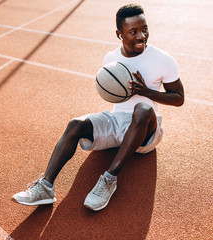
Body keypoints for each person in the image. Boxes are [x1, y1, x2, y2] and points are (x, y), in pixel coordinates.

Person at [12, 4, 184, 211]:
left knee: (142, 108)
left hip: (146, 130)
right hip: (117, 120)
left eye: (145, 29)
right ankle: (45, 187)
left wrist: (147, 92)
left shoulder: (162, 59)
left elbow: (179, 98)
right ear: (119, 34)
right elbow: (111, 94)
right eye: (133, 32)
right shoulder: (111, 60)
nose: (142, 36)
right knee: (75, 124)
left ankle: (109, 179)